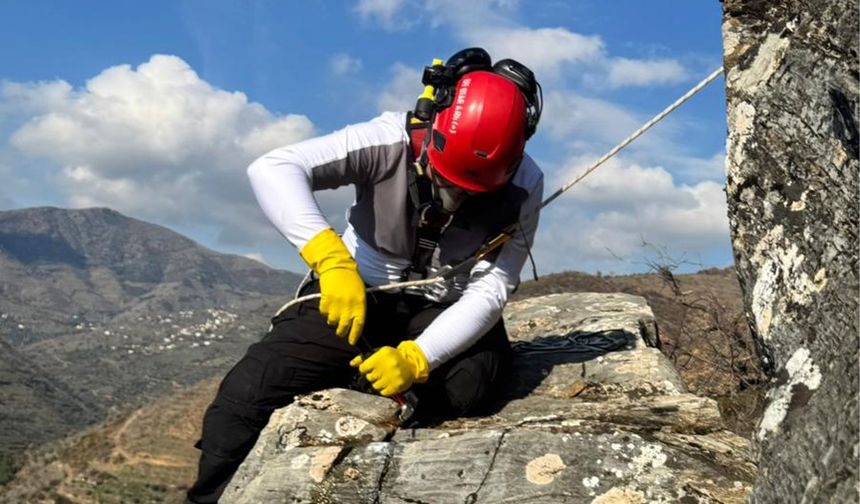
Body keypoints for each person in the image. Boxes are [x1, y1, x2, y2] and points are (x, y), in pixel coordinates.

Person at [186, 48, 544, 503]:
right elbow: (274, 168)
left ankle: (376, 390)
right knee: (243, 399)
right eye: (447, 177)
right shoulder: (387, 139)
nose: (454, 195)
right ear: (433, 125)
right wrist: (331, 262)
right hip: (358, 291)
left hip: (442, 306)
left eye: (469, 189)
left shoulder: (524, 184)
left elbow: (492, 286)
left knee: (472, 382)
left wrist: (418, 359)